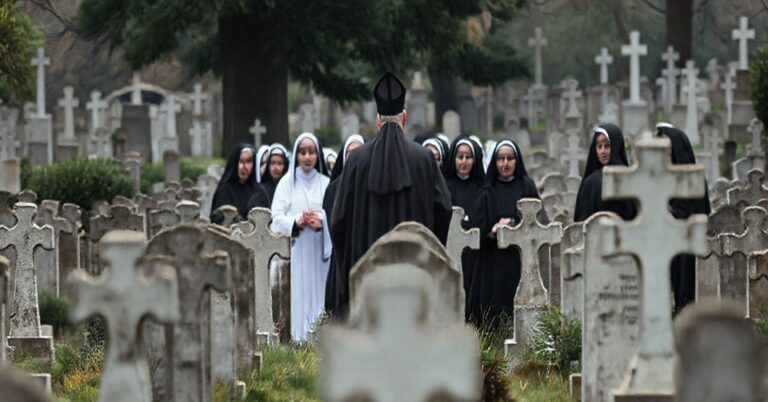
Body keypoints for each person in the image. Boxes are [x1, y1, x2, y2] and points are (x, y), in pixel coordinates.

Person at [329, 72, 452, 319]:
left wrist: (348, 267)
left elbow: (339, 218)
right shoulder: (424, 159)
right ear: (404, 118)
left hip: (365, 274)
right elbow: (444, 209)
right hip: (415, 270)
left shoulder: (356, 161)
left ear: (377, 120)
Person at [466, 139, 540, 329]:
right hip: (493, 261)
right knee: (494, 315)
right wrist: (493, 229)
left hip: (519, 261)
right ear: (495, 162)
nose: (505, 164)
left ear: (517, 161)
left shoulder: (527, 186)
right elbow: (476, 228)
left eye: (510, 159)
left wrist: (515, 224)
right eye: (500, 159)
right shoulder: (487, 191)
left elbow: (540, 221)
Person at [270, 133, 331, 342]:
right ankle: (299, 339)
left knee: (319, 292)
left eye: (311, 152)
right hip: (296, 250)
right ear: (296, 155)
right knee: (298, 294)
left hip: (318, 250)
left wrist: (322, 221)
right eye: (302, 152)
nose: (307, 157)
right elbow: (275, 219)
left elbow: (335, 215)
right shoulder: (286, 184)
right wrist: (297, 220)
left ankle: (320, 337)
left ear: (317, 155)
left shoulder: (326, 183)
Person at [656, 123, 711, 314]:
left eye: (667, 152)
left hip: (685, 253)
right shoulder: (658, 178)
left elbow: (695, 212)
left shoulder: (694, 179)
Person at [322, 134, 365, 314]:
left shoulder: (371, 184)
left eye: (358, 153)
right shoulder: (333, 188)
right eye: (350, 153)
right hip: (341, 256)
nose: (353, 158)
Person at [443, 135, 485, 294]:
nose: (464, 161)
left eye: (468, 157)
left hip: (476, 250)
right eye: (460, 157)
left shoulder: (482, 187)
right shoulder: (446, 185)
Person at [573, 124, 637, 222]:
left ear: (616, 146)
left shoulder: (628, 179)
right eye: (599, 146)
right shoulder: (590, 183)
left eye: (607, 146)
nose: (602, 151)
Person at [209, 143, 270, 224]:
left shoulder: (259, 192)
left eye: (248, 161)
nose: (244, 167)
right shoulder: (224, 190)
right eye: (241, 161)